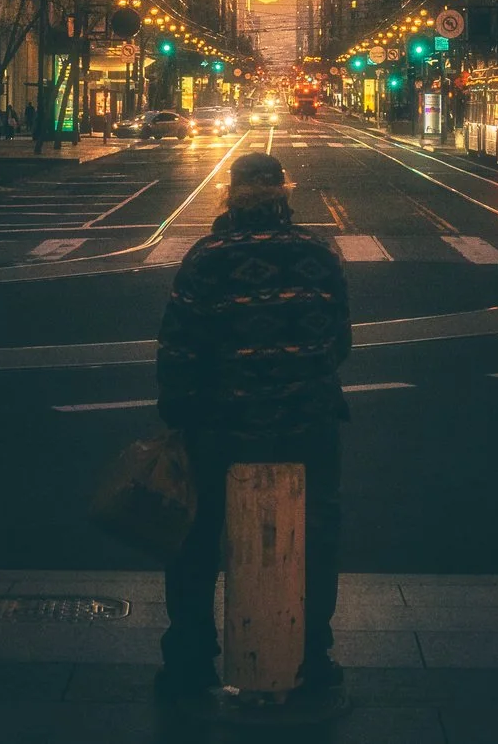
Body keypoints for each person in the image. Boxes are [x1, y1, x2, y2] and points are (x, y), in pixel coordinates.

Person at [154, 152, 351, 705]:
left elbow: (177, 348)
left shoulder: (207, 258)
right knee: (315, 535)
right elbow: (341, 342)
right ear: (283, 194)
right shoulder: (320, 253)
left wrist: (180, 413)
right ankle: (313, 654)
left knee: (196, 537)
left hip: (222, 424)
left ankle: (190, 655)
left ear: (231, 194)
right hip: (308, 422)